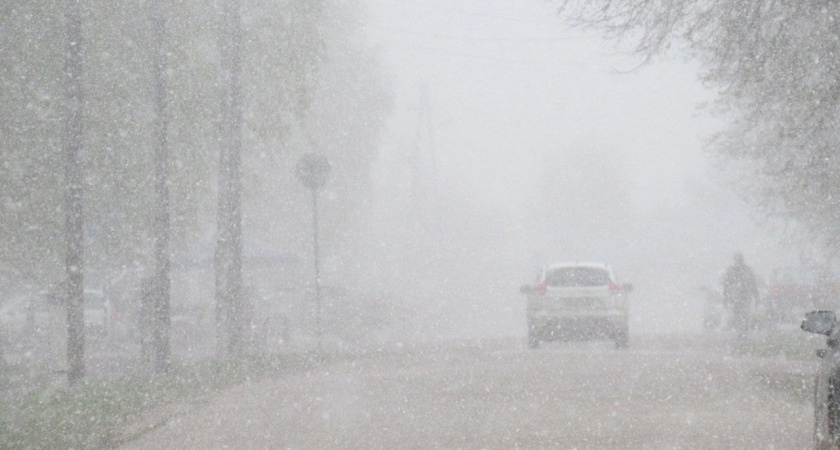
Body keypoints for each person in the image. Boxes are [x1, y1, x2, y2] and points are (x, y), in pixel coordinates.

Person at [722, 252, 760, 341]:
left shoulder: (733, 271)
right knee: (742, 315)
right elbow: (753, 285)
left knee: (741, 315)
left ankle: (741, 332)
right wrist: (756, 297)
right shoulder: (746, 270)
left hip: (740, 298)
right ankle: (742, 332)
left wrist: (726, 299)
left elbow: (726, 286)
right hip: (741, 298)